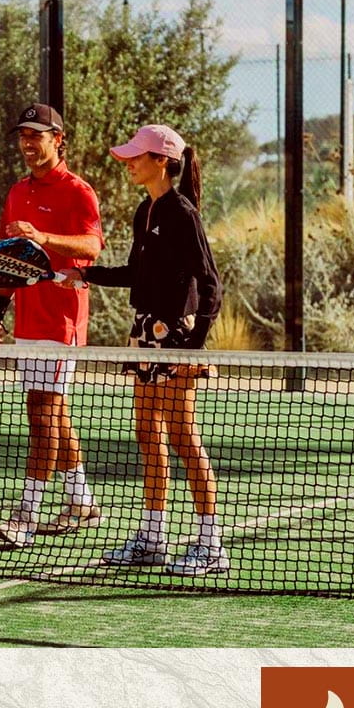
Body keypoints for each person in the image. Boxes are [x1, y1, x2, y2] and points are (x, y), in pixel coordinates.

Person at [59, 124, 227, 576]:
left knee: (182, 437)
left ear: (162, 161)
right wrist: (85, 276)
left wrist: (191, 346)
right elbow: (136, 273)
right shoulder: (145, 211)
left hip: (176, 336)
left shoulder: (182, 212)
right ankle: (153, 537)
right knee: (148, 434)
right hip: (144, 333)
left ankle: (211, 544)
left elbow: (211, 284)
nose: (129, 163)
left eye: (137, 157)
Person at [0, 102, 104, 547]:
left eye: (37, 135)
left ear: (58, 139)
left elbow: (92, 246)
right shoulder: (16, 192)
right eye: (23, 136)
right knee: (52, 414)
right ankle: (82, 502)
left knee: (42, 415)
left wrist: (45, 237)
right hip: (27, 321)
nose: (28, 144)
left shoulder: (79, 192)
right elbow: (6, 261)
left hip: (62, 322)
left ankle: (27, 514)